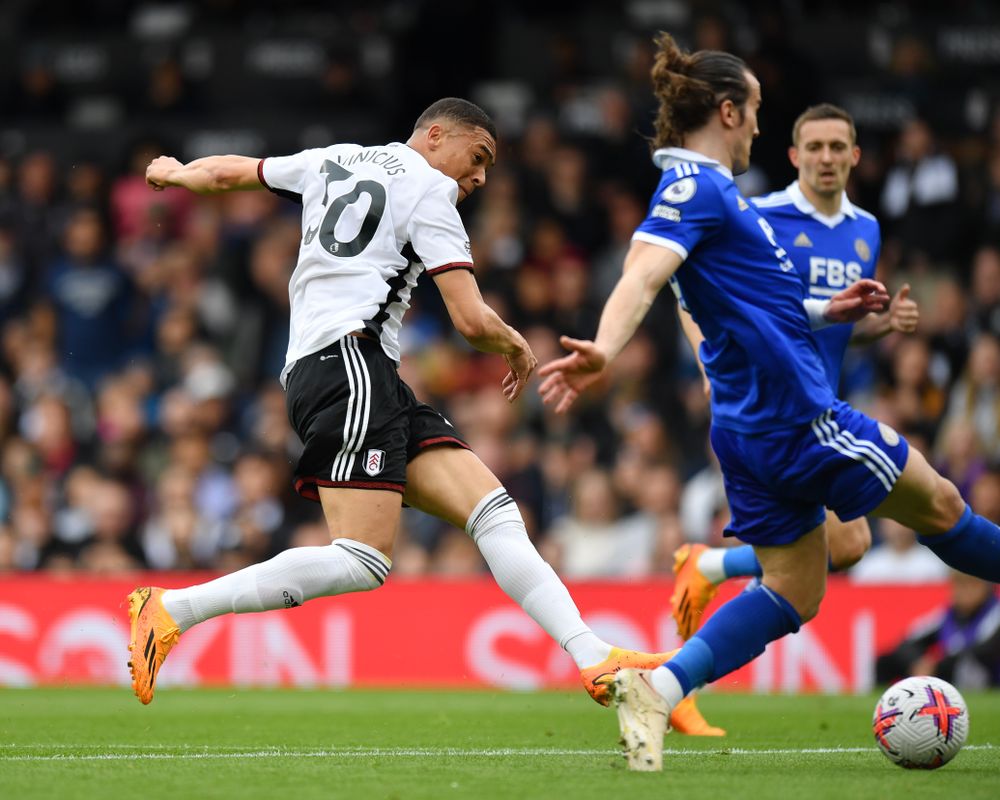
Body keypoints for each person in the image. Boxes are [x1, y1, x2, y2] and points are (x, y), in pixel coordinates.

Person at [126, 97, 719, 735]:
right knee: (363, 558)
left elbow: (229, 175)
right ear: (435, 136)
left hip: (353, 373)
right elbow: (469, 320)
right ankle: (171, 610)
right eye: (479, 157)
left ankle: (592, 657)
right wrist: (517, 343)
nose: (481, 177)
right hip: (349, 368)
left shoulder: (332, 159)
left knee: (494, 511)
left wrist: (178, 171)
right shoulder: (430, 190)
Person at [537, 34, 1000, 771]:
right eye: (753, 111)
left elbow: (748, 296)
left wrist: (829, 310)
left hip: (747, 433)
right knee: (943, 508)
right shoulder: (701, 188)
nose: (758, 125)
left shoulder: (717, 197)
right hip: (801, 420)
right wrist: (606, 345)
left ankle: (658, 686)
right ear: (727, 111)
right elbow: (643, 271)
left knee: (796, 587)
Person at [669, 103, 920, 640]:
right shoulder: (759, 215)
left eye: (836, 148)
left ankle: (709, 571)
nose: (825, 158)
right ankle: (689, 648)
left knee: (850, 547)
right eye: (814, 147)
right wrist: (705, 359)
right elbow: (687, 294)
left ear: (854, 157)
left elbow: (832, 326)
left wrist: (885, 325)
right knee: (816, 559)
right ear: (793, 155)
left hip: (820, 408)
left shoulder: (867, 230)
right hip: (762, 408)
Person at [876, 571, 1000, 689]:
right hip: (944, 667)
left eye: (972, 584)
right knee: (886, 660)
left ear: (988, 588)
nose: (965, 591)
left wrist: (936, 664)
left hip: (983, 674)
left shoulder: (994, 613)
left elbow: (983, 650)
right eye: (959, 584)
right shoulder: (945, 615)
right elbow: (908, 642)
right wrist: (919, 662)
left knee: (967, 666)